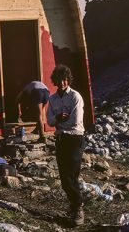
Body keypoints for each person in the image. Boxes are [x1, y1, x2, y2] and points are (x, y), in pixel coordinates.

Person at [46, 64, 85, 227]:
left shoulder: (76, 96)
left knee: (71, 174)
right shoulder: (52, 99)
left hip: (75, 139)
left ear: (68, 80)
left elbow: (75, 121)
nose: (62, 82)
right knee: (64, 178)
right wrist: (58, 118)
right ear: (55, 81)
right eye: (59, 79)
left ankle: (78, 208)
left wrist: (59, 120)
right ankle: (73, 205)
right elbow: (48, 121)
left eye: (65, 79)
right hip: (61, 140)